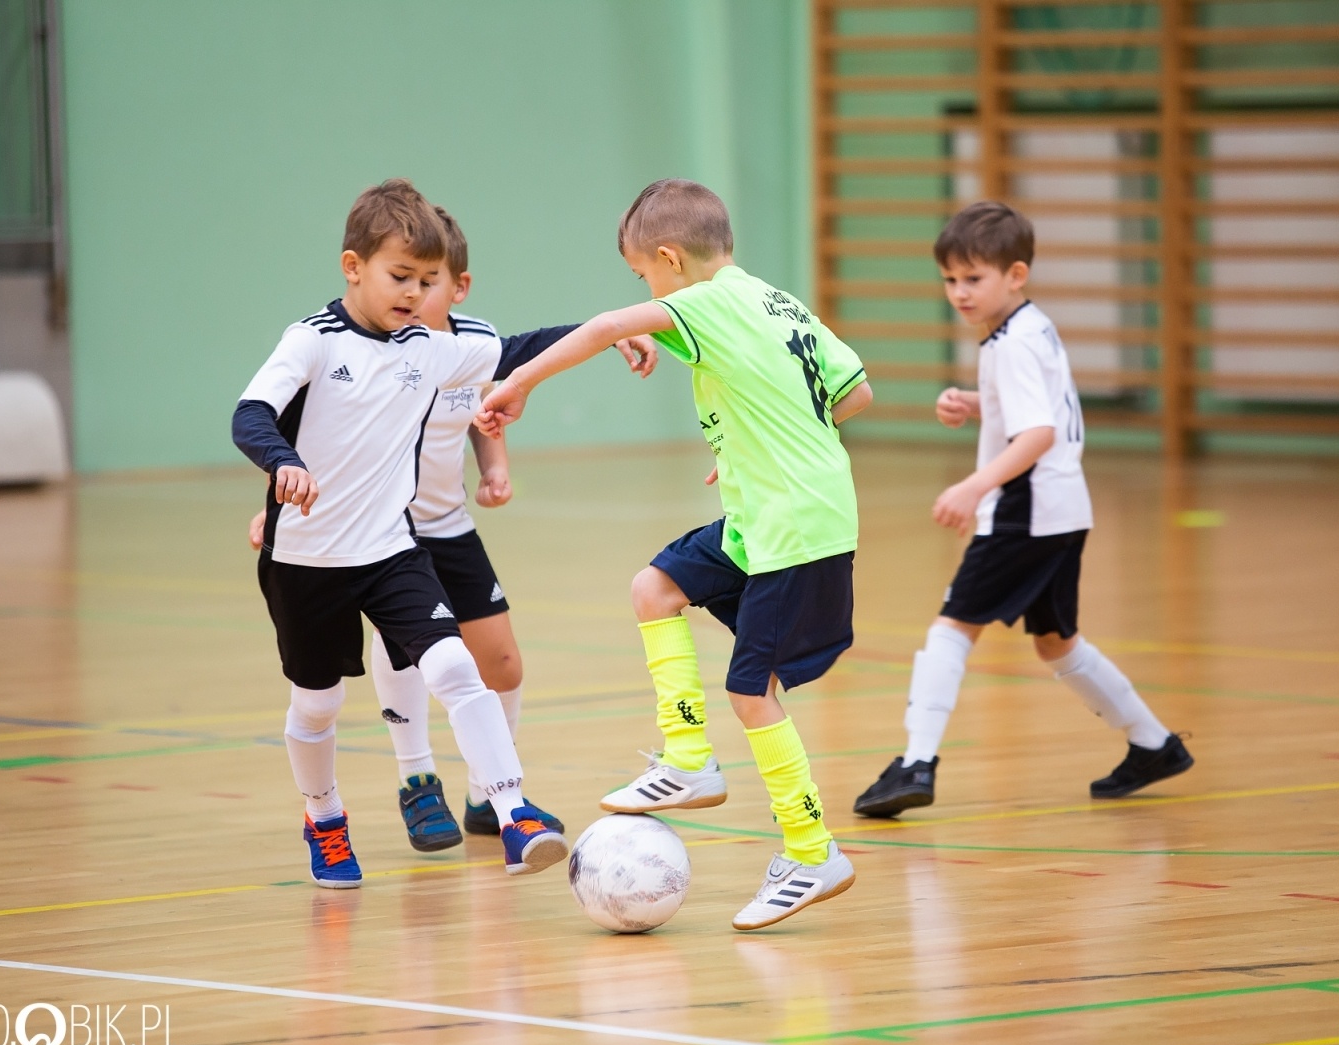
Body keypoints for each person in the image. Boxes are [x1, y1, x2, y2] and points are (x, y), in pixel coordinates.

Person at [476, 178, 874, 931]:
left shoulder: (708, 303)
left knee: (752, 691)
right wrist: (765, 440)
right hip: (766, 514)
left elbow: (605, 327)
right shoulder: (777, 301)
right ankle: (688, 758)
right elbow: (855, 394)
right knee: (655, 587)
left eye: (643, 276)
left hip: (795, 527)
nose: (646, 292)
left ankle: (812, 851)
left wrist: (519, 381)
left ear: (669, 259)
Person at [246, 206, 647, 852]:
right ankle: (330, 814)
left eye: (425, 280)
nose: (413, 292)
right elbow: (258, 417)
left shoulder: (431, 349)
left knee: (464, 666)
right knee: (318, 705)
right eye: (401, 276)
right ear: (353, 268)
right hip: (311, 556)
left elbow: (520, 351)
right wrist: (281, 469)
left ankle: (508, 811)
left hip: (396, 545)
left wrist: (612, 332)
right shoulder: (315, 340)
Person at [852, 201, 1193, 819]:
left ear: (1015, 275)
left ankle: (916, 763)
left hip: (1024, 512)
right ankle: (1154, 744)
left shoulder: (1009, 344)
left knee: (951, 629)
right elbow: (1042, 409)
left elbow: (1037, 432)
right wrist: (977, 402)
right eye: (950, 279)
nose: (959, 292)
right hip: (1064, 510)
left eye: (973, 278)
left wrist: (974, 485)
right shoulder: (1031, 327)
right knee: (1057, 643)